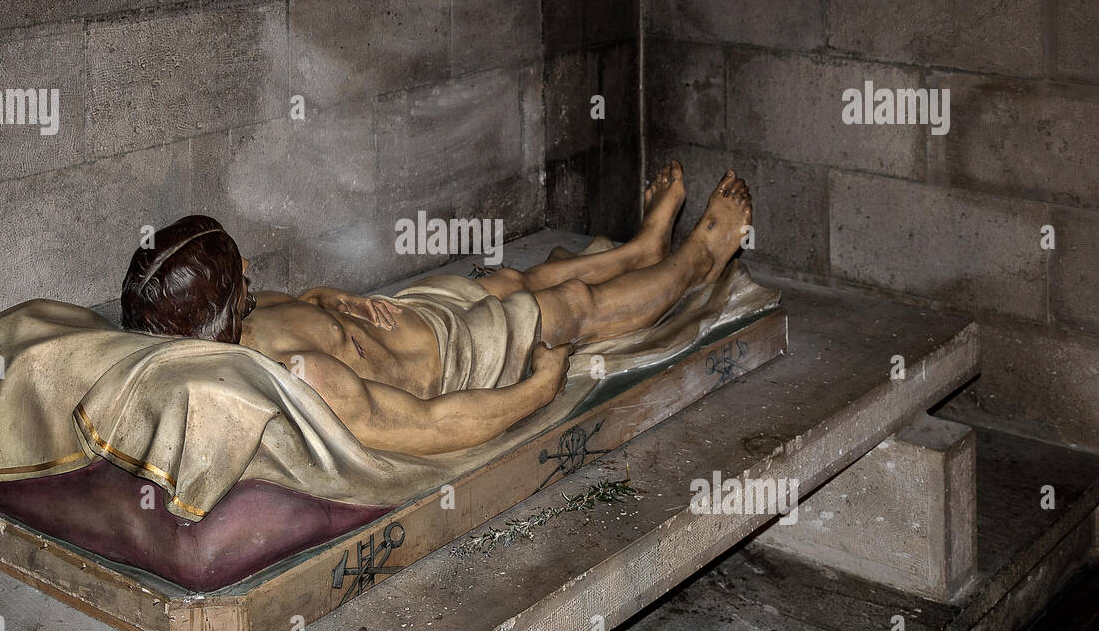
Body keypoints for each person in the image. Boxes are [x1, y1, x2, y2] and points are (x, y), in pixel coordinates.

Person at [120, 162, 752, 456]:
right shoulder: (298, 377)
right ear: (218, 316)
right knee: (571, 306)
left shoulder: (249, 316)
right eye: (239, 274)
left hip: (412, 315)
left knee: (511, 276)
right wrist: (540, 390)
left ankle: (643, 248)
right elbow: (426, 425)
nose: (253, 270)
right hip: (455, 361)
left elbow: (302, 303)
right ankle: (697, 260)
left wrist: (329, 299)